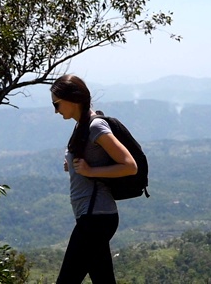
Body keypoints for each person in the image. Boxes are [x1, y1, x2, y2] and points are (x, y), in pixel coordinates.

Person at [50, 74, 138, 284]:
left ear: (72, 100)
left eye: (57, 104)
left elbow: (129, 165)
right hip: (93, 216)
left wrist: (90, 172)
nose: (55, 110)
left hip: (96, 217)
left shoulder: (95, 126)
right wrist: (72, 166)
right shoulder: (81, 126)